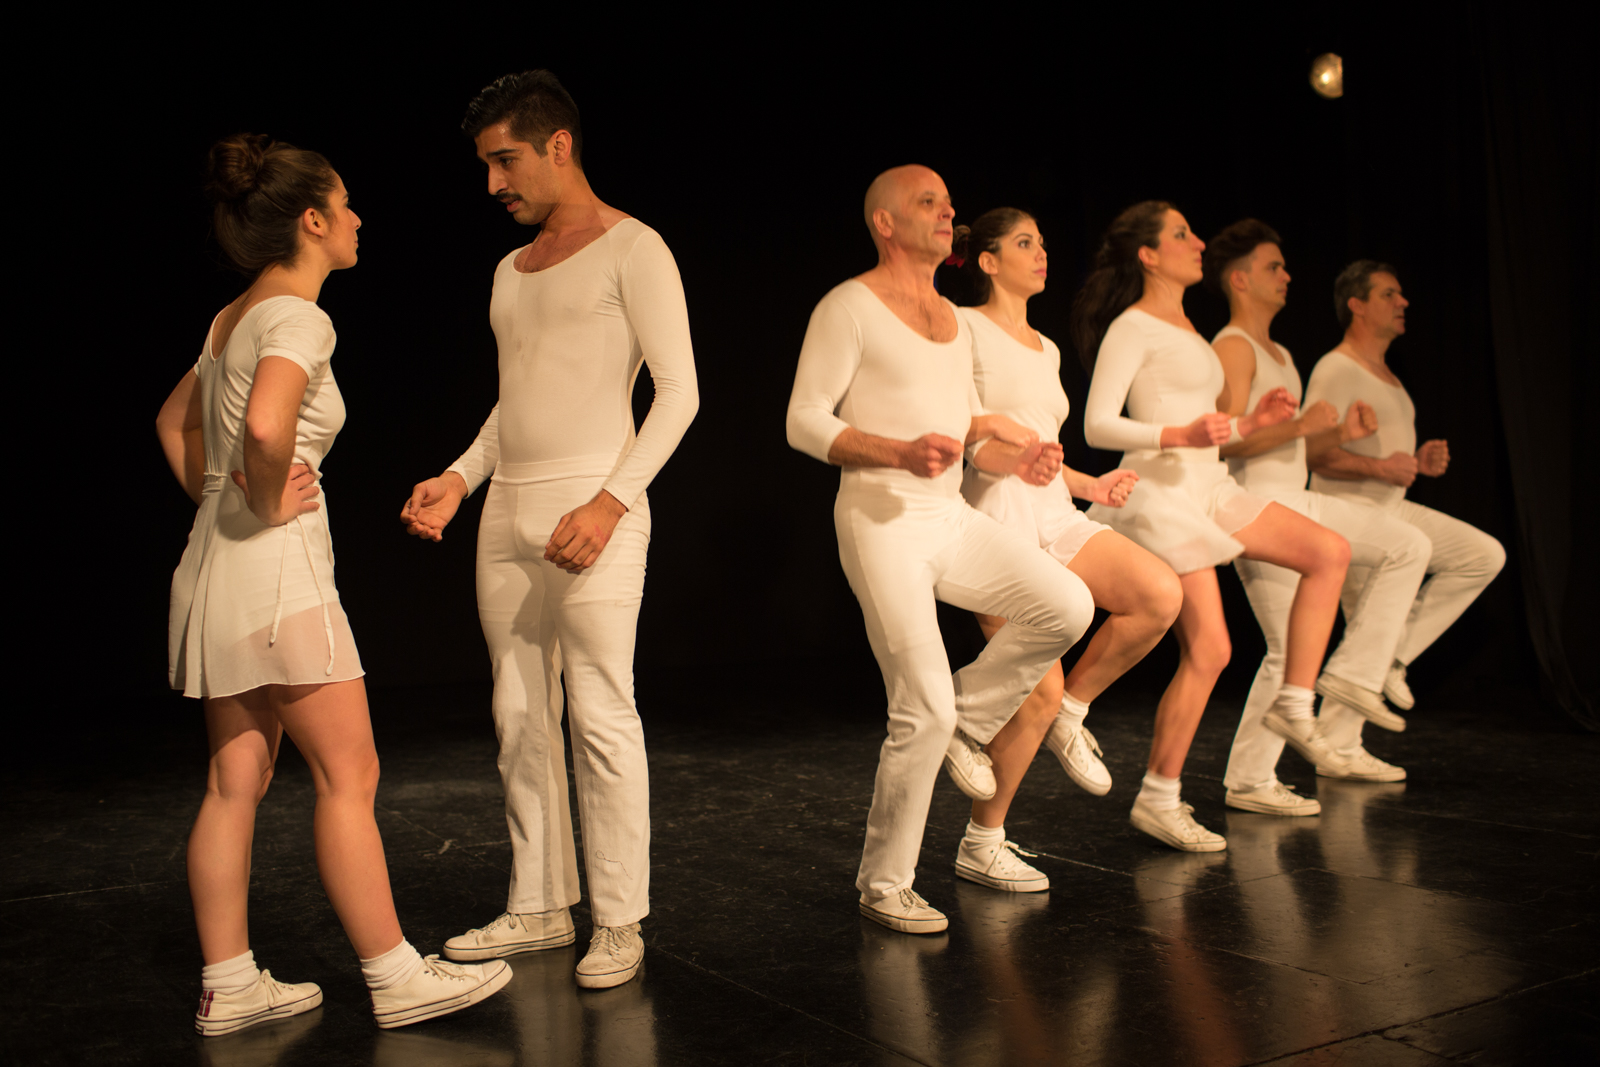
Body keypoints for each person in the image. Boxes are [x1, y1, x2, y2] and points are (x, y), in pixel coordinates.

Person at [157, 134, 509, 1036]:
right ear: (312, 221)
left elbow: (173, 421)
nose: (357, 219)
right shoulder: (300, 317)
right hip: (278, 574)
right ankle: (395, 974)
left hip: (214, 569)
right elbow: (265, 425)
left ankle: (230, 983)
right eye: (345, 205)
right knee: (349, 772)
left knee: (234, 779)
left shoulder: (230, 317)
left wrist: (223, 496)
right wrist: (264, 496)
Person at [399, 71, 698, 990]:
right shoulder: (509, 269)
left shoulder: (635, 248)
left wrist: (611, 503)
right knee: (519, 712)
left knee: (602, 710)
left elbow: (679, 393)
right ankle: (537, 901)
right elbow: (517, 399)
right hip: (509, 507)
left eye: (506, 161)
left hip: (596, 502)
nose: (494, 183)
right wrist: (460, 476)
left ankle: (618, 916)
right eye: (486, 165)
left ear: (558, 145)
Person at [786, 166, 1096, 931]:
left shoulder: (955, 321)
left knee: (1066, 603)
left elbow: (963, 427)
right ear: (885, 222)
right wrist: (896, 450)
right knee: (917, 706)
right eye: (927, 201)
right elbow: (803, 420)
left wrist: (1010, 451)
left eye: (947, 202)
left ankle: (967, 717)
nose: (945, 211)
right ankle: (885, 883)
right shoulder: (849, 306)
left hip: (947, 516)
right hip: (881, 521)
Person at [1074, 202, 1351, 851]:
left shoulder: (1188, 328)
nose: (1197, 242)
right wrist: (1180, 434)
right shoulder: (1133, 326)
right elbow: (1097, 425)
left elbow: (1207, 426)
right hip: (1164, 492)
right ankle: (1157, 795)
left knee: (1328, 552)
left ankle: (1295, 702)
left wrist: (1253, 423)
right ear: (1148, 255)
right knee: (1212, 650)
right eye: (1181, 234)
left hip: (1208, 484)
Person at [943, 208, 1183, 891]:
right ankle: (983, 842)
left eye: (1044, 242)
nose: (1041, 252)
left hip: (1053, 512)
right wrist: (1012, 461)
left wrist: (1089, 483)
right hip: (996, 519)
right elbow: (969, 437)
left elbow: (1044, 449)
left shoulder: (1047, 349)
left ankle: (1074, 711)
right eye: (1025, 243)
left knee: (1158, 595)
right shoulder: (964, 328)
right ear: (988, 261)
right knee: (1034, 690)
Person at [1205, 221, 1430, 797]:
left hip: (1295, 497)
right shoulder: (1233, 346)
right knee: (1286, 649)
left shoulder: (1280, 352)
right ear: (1240, 280)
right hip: (1256, 506)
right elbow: (1223, 442)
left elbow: (1289, 443)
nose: (1286, 276)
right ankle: (1250, 780)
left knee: (1408, 545)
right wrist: (1303, 426)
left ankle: (1355, 675)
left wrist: (1335, 435)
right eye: (1273, 267)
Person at [1304, 262, 1505, 755]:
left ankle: (1391, 659)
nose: (1403, 303)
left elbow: (1381, 458)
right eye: (1389, 294)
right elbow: (1309, 452)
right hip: (1349, 512)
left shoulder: (1388, 375)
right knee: (1366, 628)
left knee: (1483, 555)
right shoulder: (1336, 368)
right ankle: (1339, 749)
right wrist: (1382, 468)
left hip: (1392, 507)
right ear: (1356, 304)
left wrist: (1415, 462)